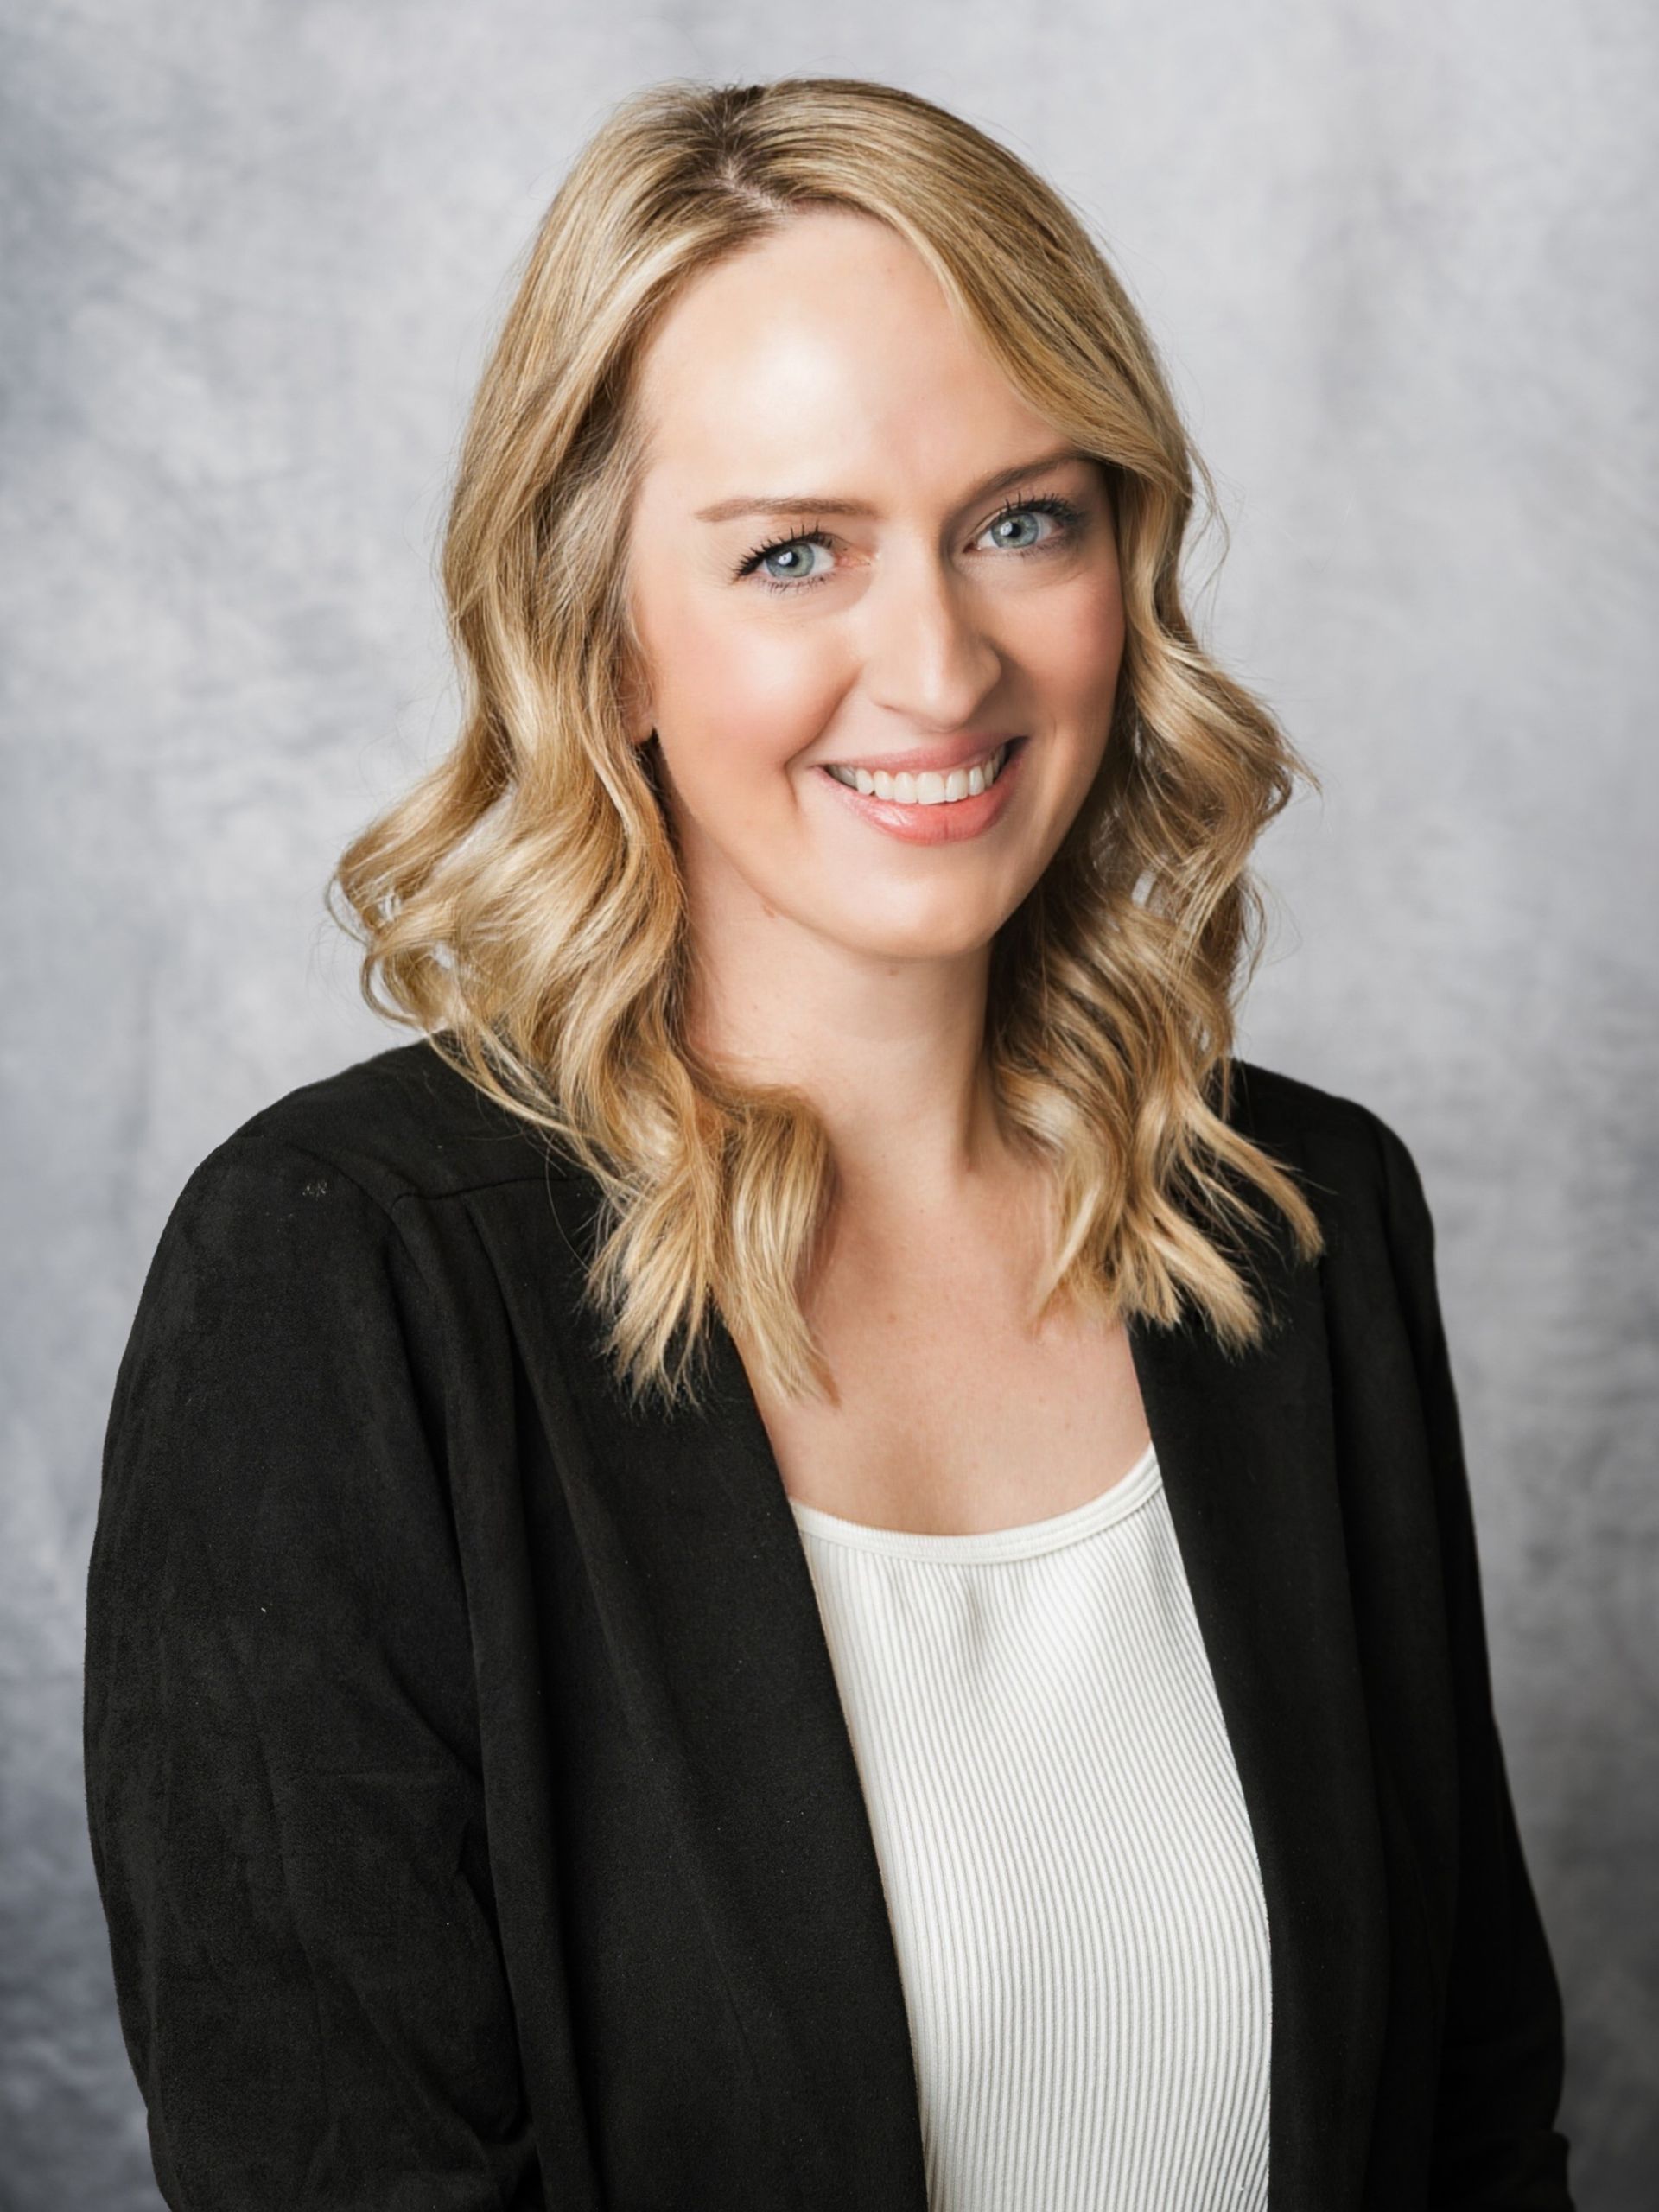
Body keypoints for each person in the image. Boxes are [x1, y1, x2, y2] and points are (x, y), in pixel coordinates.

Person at [83, 74, 1574, 2212]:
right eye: (798, 552)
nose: (941, 661)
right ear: (606, 639)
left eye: (1021, 520)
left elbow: (1466, 2123)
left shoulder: (1306, 1221)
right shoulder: (342, 1276)